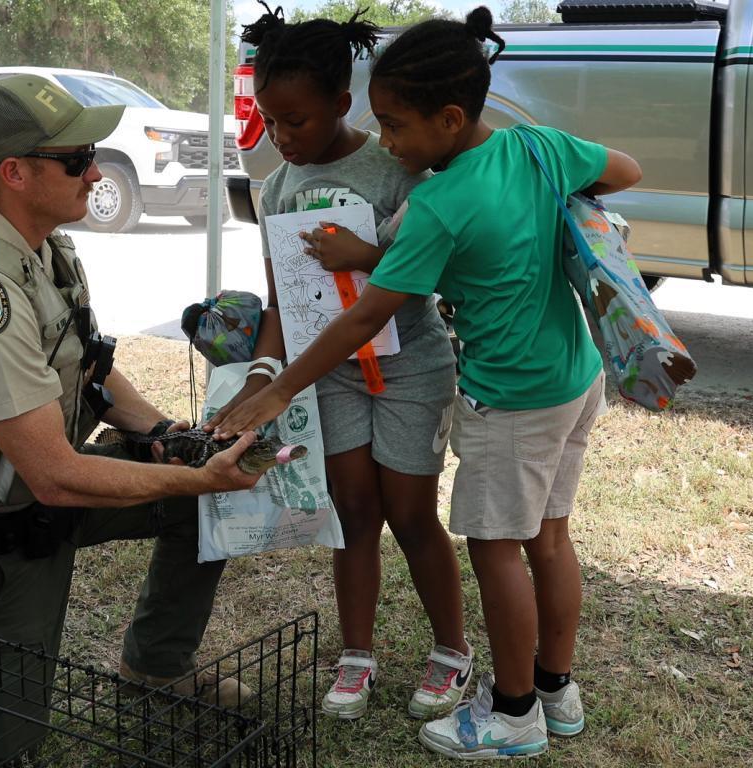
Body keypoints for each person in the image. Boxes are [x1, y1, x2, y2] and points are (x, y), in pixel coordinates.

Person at [209, 6, 643, 759]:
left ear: (447, 118)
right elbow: (625, 171)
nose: (389, 143)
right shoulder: (534, 146)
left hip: (507, 394)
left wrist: (278, 388)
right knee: (548, 538)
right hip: (575, 376)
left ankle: (511, 713)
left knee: (496, 548)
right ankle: (555, 691)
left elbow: (362, 317)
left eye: (397, 127)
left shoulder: (436, 202)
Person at [0, 74, 263, 760]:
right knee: (4, 745)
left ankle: (155, 666)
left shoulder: (46, 249)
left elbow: (91, 364)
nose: (95, 172)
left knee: (198, 507)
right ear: (15, 172)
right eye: (76, 159)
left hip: (42, 493)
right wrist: (202, 479)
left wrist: (171, 438)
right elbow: (57, 476)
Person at [213, 3, 472, 722]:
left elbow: (433, 264)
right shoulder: (276, 191)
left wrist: (368, 253)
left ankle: (452, 651)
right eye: (269, 118)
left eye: (296, 120)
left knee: (413, 513)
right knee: (353, 513)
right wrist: (261, 377)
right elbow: (277, 303)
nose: (282, 136)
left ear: (340, 102)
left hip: (412, 367)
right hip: (331, 377)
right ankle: (356, 657)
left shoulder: (397, 166)